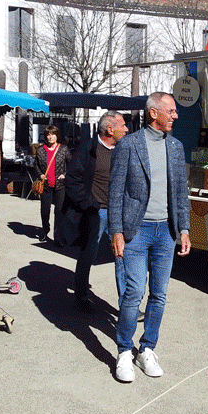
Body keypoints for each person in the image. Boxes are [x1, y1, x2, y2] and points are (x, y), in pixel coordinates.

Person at [109, 92, 191, 383]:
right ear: (154, 113)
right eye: (171, 110)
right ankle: (123, 353)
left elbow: (181, 192)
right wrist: (116, 231)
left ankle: (147, 349)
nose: (175, 115)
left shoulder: (177, 147)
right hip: (136, 231)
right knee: (133, 293)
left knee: (159, 295)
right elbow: (115, 191)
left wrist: (184, 229)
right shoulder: (129, 145)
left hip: (166, 232)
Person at [64, 111, 129, 313]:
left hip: (118, 212)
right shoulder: (88, 148)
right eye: (123, 125)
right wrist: (88, 204)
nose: (126, 129)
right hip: (95, 212)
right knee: (88, 254)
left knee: (122, 256)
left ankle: (127, 305)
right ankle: (81, 295)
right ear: (110, 130)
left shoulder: (124, 149)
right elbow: (73, 180)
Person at [34, 125, 71, 245]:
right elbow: (36, 166)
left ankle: (58, 236)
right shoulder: (40, 150)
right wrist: (40, 175)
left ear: (57, 135)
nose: (50, 137)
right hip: (45, 185)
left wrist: (65, 174)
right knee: (45, 210)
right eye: (48, 134)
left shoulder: (64, 149)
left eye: (53, 134)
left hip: (60, 185)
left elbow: (72, 164)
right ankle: (45, 230)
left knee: (59, 211)